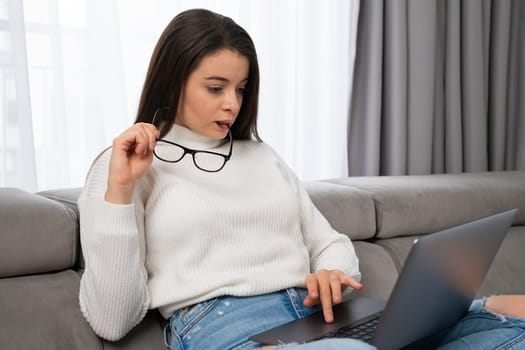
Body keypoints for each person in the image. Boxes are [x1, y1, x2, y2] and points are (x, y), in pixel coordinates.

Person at [78, 8, 525, 350]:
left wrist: (332, 271)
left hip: (317, 316)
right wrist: (120, 190)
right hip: (223, 325)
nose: (232, 103)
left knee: (514, 324)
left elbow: (328, 241)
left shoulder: (261, 157)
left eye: (242, 88)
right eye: (216, 88)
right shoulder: (125, 165)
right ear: (173, 80)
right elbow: (113, 319)